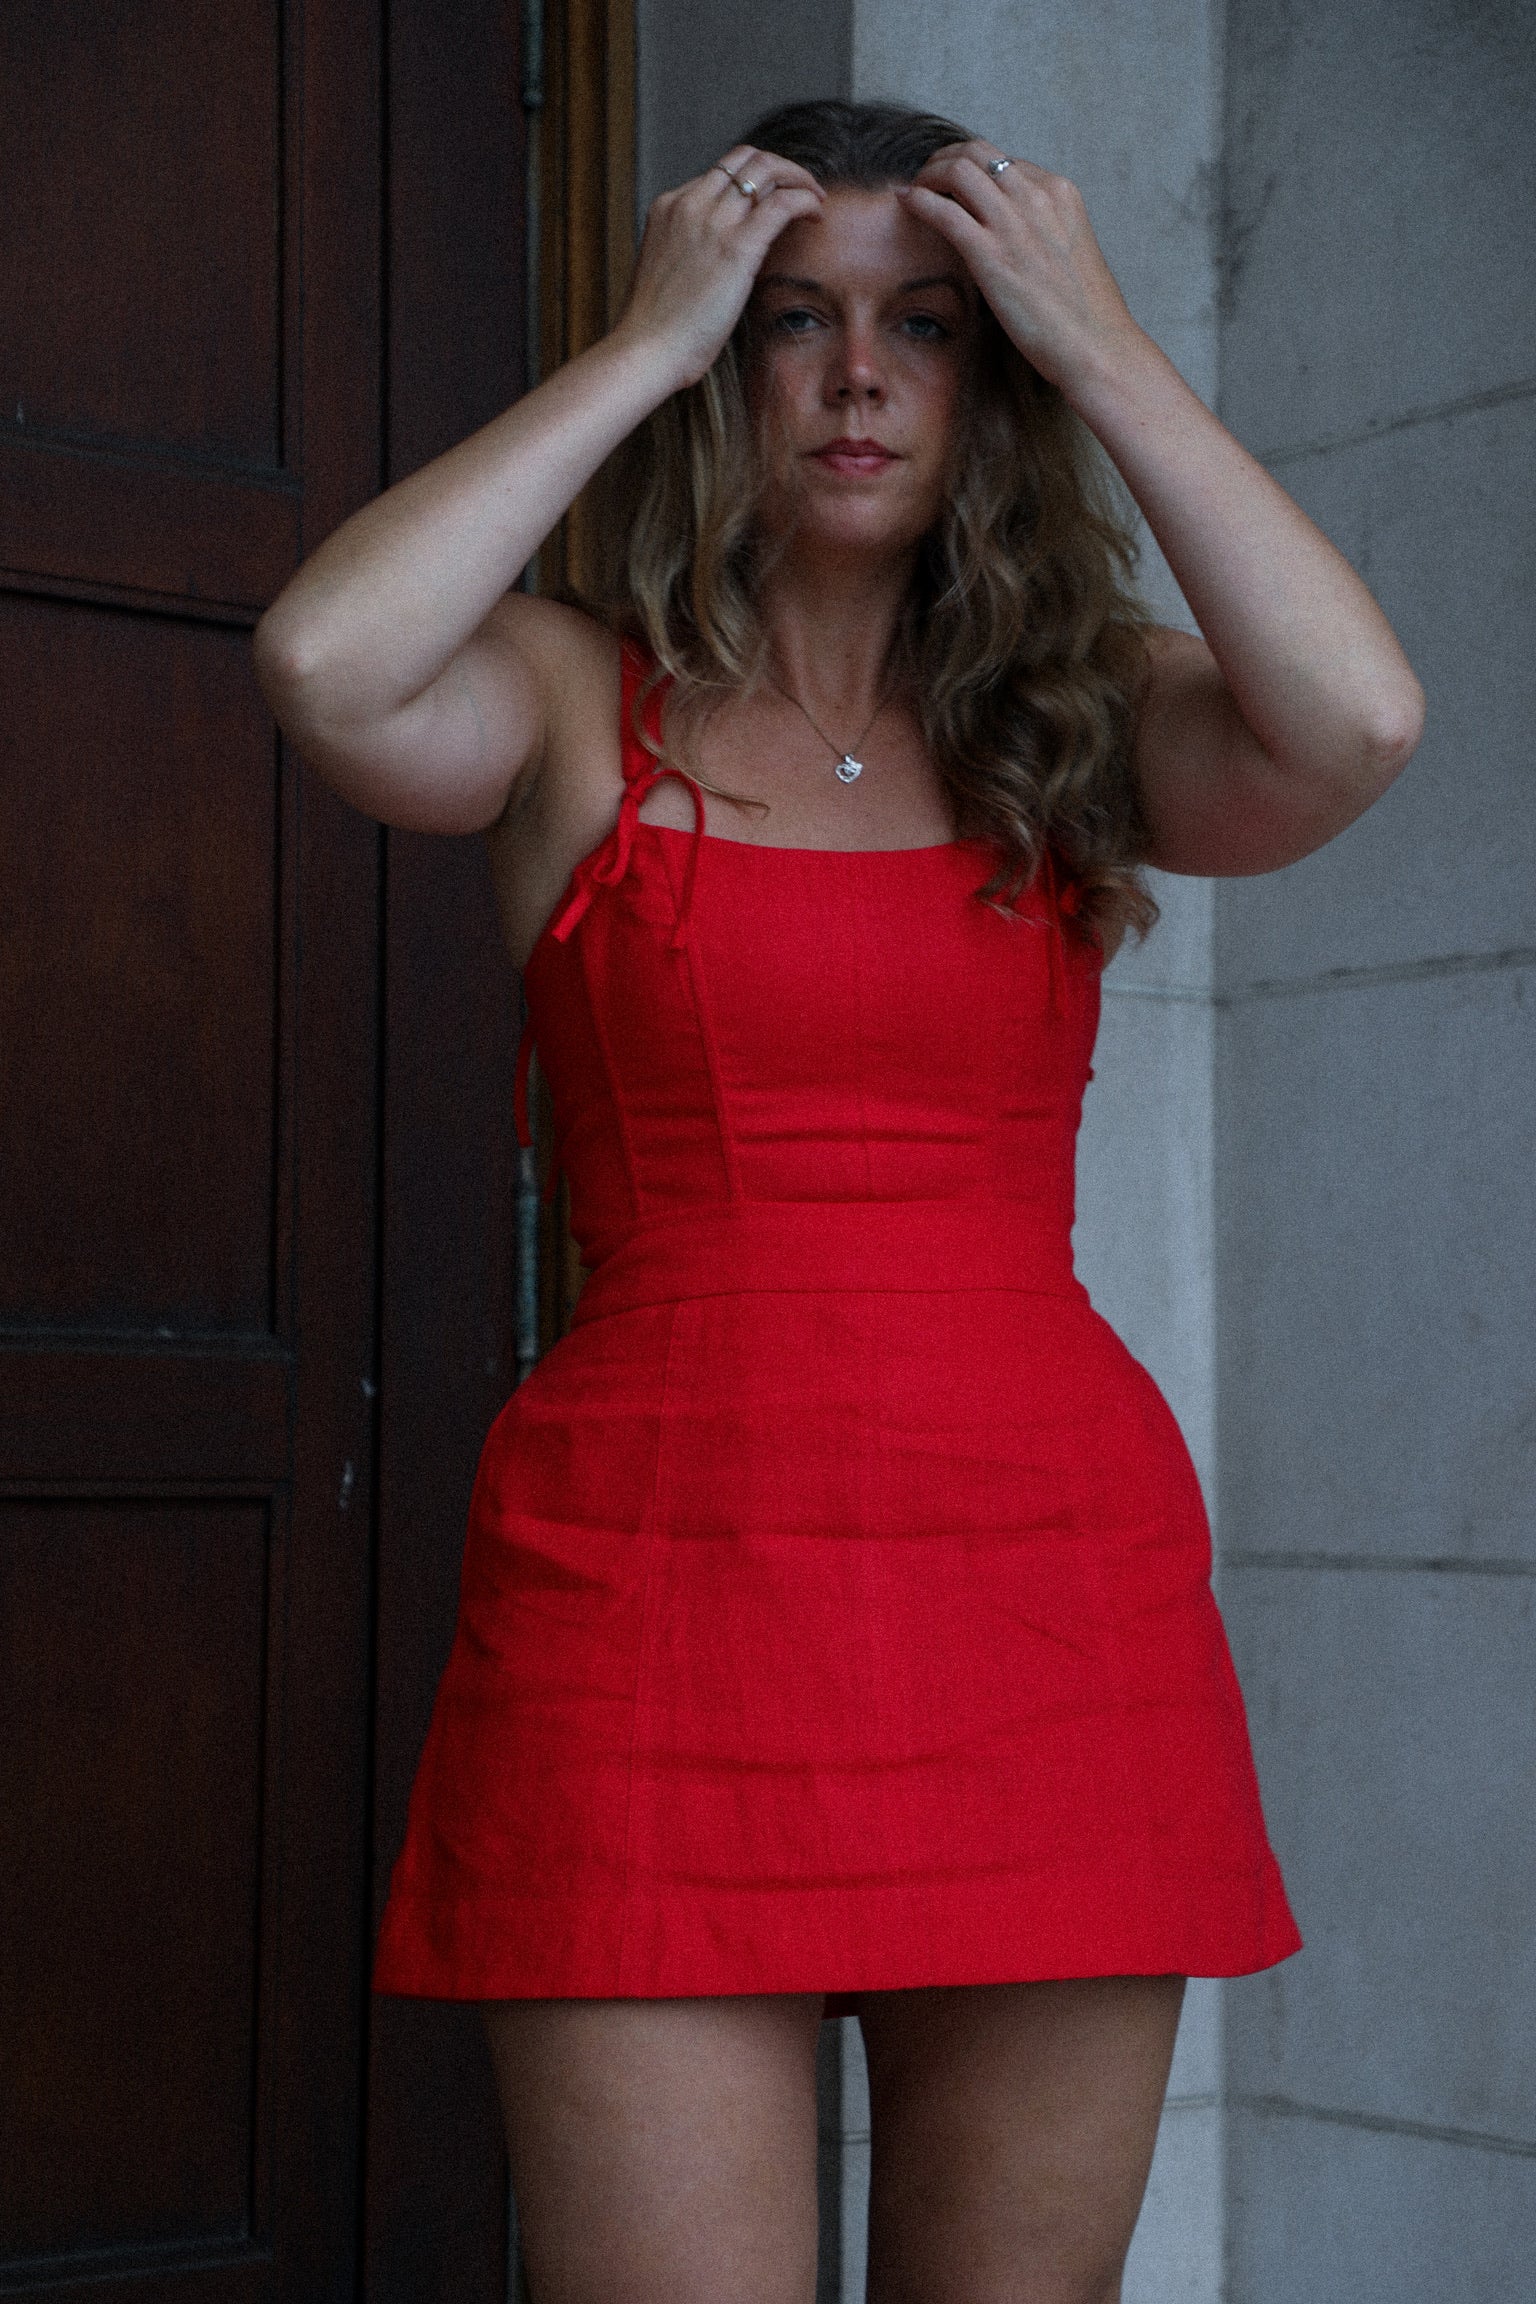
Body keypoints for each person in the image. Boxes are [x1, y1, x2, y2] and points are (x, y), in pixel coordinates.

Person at [254, 96, 1422, 2304]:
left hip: (1048, 1611)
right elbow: (326, 663)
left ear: (998, 375)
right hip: (651, 1607)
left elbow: (1356, 720)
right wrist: (639, 342)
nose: (861, 377)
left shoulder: (1079, 725)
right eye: (793, 321)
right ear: (726, 361)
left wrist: (1106, 346)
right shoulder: (568, 697)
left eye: (930, 327)